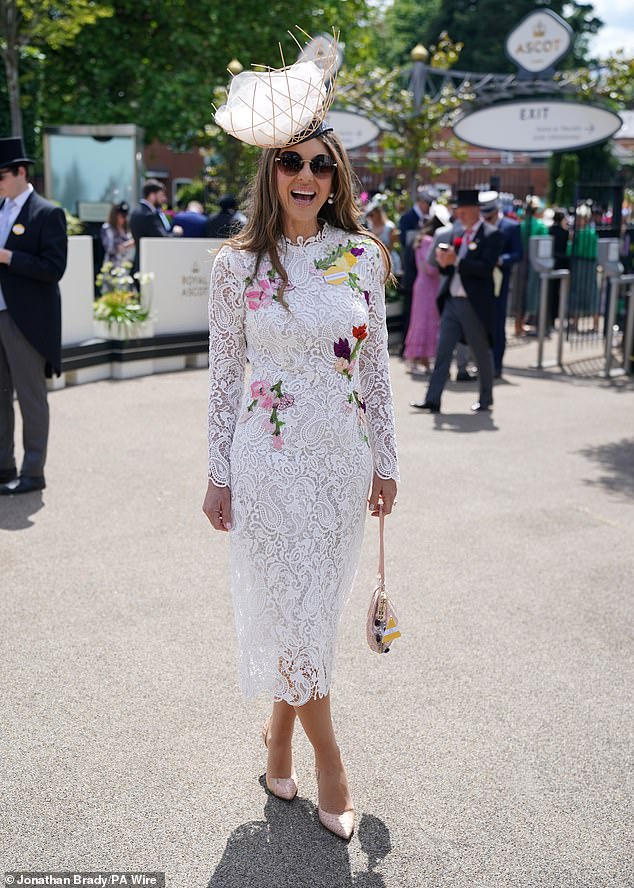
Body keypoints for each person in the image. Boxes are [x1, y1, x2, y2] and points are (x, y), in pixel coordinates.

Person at [202, 47, 398, 843]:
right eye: (292, 161)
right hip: (269, 465)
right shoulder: (236, 267)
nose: (307, 174)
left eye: (321, 163)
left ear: (338, 176)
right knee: (295, 610)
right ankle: (331, 766)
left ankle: (280, 737)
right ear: (271, 172)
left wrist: (388, 462)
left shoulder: (365, 258)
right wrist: (217, 476)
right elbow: (222, 381)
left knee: (311, 615)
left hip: (342, 466)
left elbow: (378, 377)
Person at [0, 137, 68, 495]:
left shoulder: (47, 212)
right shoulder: (1, 210)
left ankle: (32, 471)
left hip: (25, 319)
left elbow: (54, 268)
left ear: (20, 172)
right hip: (1, 314)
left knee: (30, 397)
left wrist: (9, 257)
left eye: (1, 176)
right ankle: (4, 466)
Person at [411, 189, 504, 414]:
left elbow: (485, 268)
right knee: (443, 350)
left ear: (474, 210)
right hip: (453, 300)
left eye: (462, 211)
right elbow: (453, 268)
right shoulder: (457, 234)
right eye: (457, 212)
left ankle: (485, 397)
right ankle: (432, 398)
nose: (459, 216)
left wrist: (457, 261)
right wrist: (446, 262)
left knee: (480, 351)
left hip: (474, 303)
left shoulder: (492, 235)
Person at [478, 191, 522, 378]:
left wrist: (501, 260)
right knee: (479, 324)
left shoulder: (511, 227)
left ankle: (496, 365)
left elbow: (518, 254)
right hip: (480, 279)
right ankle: (481, 363)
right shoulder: (480, 226)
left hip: (499, 281)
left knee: (497, 323)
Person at [402, 205, 451, 374]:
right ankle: (413, 360)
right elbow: (429, 267)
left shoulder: (421, 239)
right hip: (428, 286)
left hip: (425, 286)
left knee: (425, 322)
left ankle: (423, 361)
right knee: (423, 323)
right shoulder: (428, 242)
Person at [129, 179, 183, 277]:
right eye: (161, 195)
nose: (164, 199)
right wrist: (176, 233)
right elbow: (161, 239)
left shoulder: (135, 212)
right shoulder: (149, 215)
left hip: (138, 263)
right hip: (150, 266)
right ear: (152, 195)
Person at [100, 201, 134, 267]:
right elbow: (110, 248)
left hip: (127, 265)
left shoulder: (126, 229)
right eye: (122, 216)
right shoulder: (107, 228)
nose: (123, 219)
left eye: (125, 216)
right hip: (112, 266)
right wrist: (127, 244)